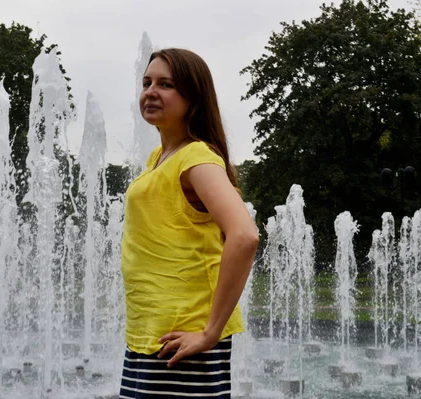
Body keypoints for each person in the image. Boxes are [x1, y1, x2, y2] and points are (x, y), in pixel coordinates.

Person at [119, 48, 260, 398]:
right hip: (151, 334)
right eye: (147, 82)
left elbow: (244, 236)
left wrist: (210, 333)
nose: (151, 91)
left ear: (193, 98)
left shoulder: (196, 157)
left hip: (182, 338)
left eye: (166, 84)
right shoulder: (159, 157)